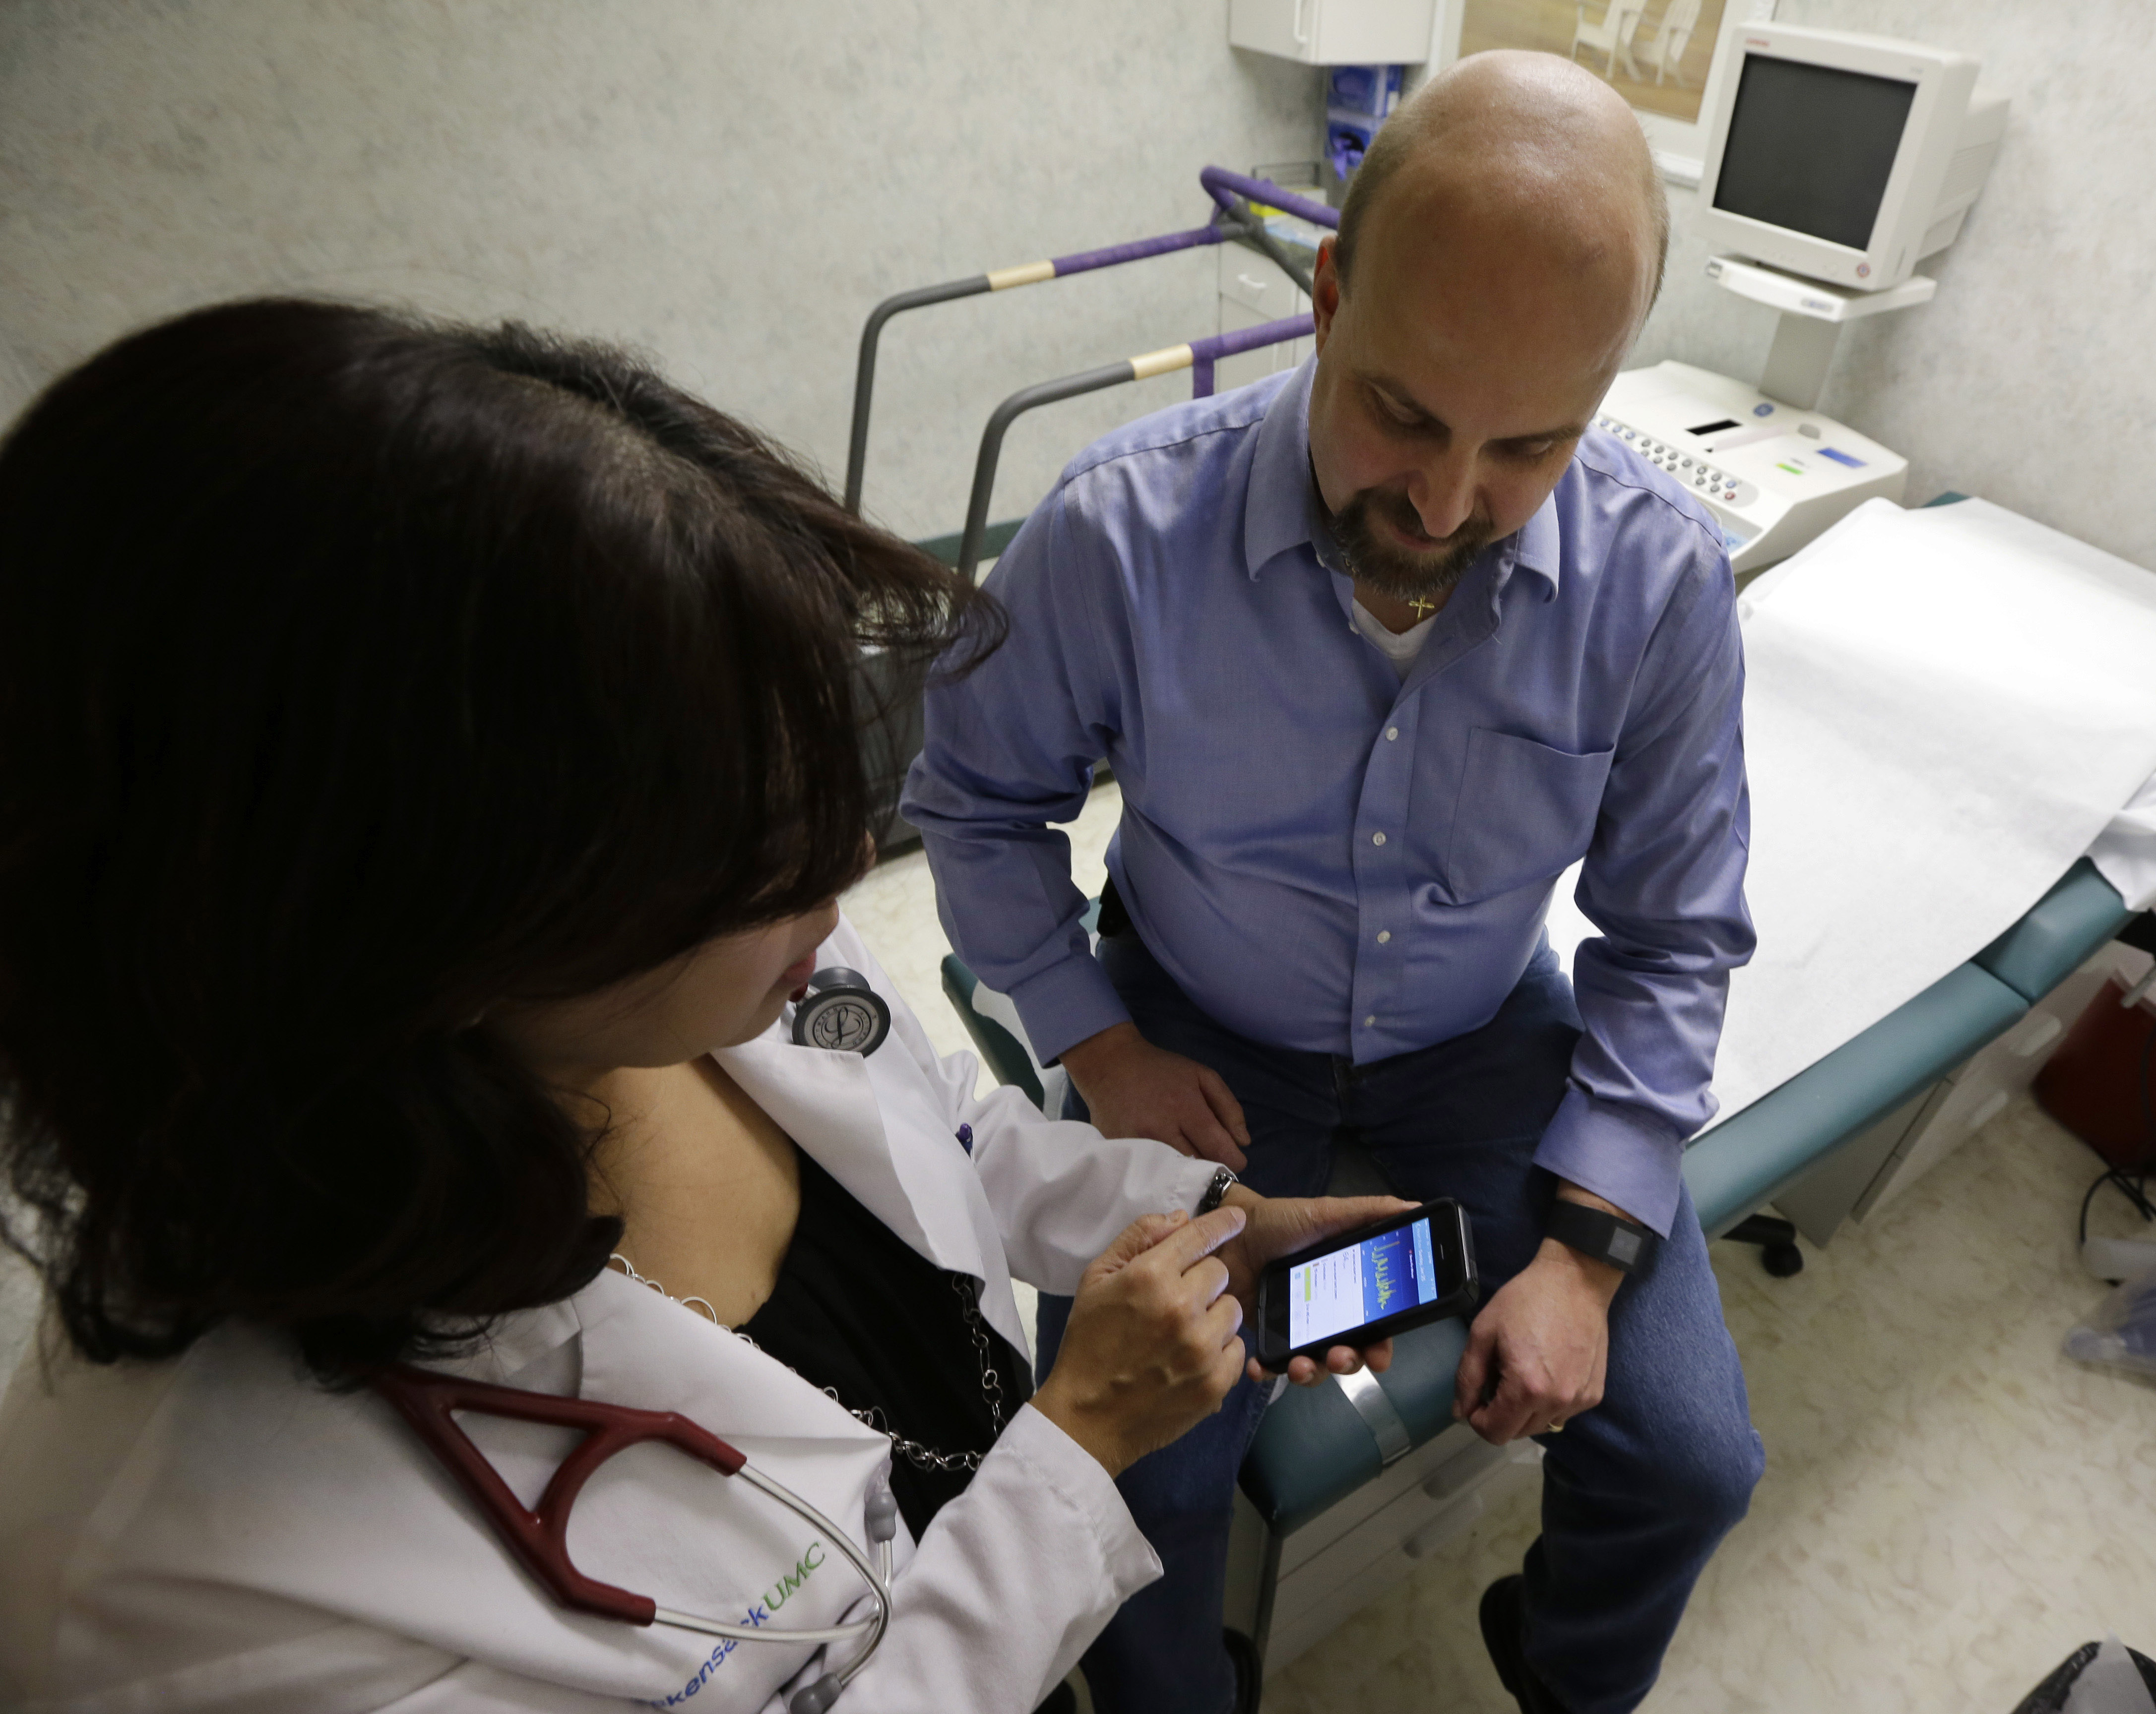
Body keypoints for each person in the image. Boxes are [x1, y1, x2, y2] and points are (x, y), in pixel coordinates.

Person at [0, 299, 1408, 1714]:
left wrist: (1194, 1218)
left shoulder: (716, 984)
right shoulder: (177, 1602)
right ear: (421, 927)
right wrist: (1076, 1449)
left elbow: (951, 1147)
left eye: (817, 802)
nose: (846, 872)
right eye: (747, 857)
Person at [904, 50, 1765, 1714]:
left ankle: (1564, 1670)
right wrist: (1098, 1045)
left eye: (1528, 447)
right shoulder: (1113, 537)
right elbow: (977, 807)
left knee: (1692, 1461)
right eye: (1402, 414)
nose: (1444, 506)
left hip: (1482, 1036)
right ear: (1326, 294)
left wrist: (1583, 1265)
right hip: (1190, 1024)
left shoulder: (1660, 590)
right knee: (1136, 1492)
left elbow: (1671, 934)